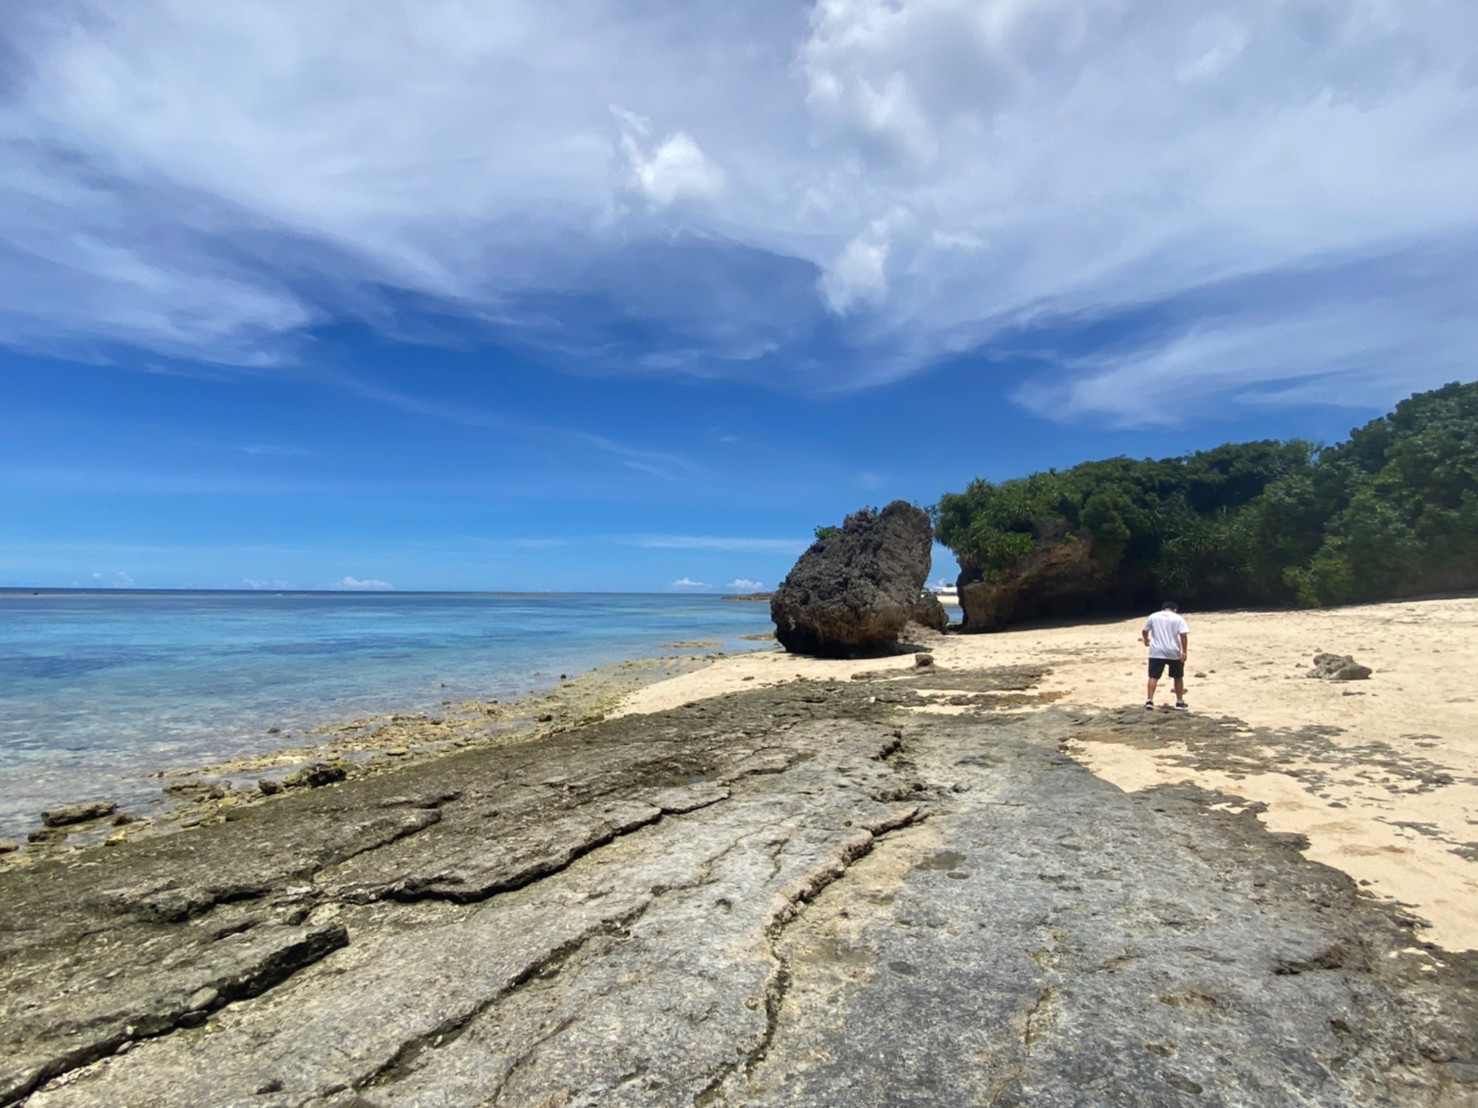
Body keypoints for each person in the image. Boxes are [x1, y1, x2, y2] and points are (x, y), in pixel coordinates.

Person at [1142, 601, 1189, 710]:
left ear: (1163, 608)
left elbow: (1145, 631)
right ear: (1175, 609)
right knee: (1178, 677)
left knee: (1153, 677)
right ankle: (1179, 702)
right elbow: (1183, 635)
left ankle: (1149, 701)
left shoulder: (1153, 616)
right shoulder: (1178, 618)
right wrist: (1184, 651)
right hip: (1173, 651)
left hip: (1156, 651)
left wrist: (1146, 640)